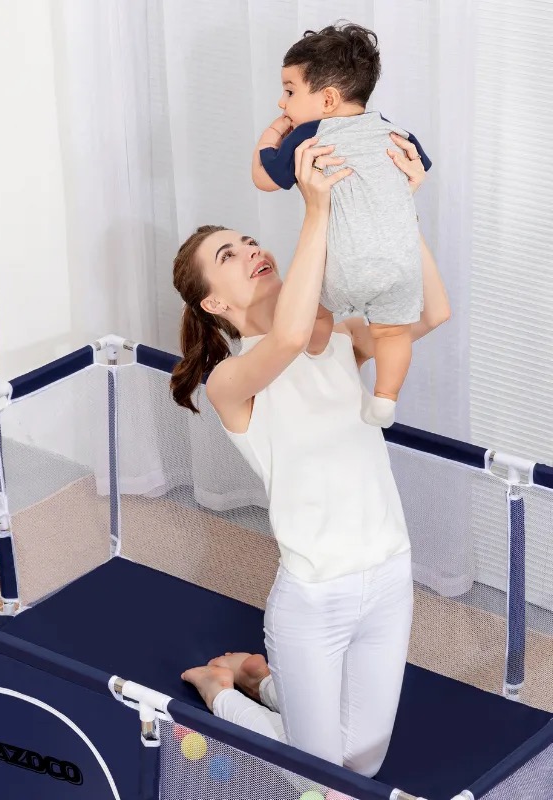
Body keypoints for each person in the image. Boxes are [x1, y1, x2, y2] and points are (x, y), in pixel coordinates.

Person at [170, 132, 450, 777]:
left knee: (363, 764)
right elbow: (289, 337)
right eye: (229, 254)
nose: (252, 250)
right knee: (318, 776)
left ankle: (262, 680)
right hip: (315, 598)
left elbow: (432, 312)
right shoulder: (230, 382)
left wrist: (401, 208)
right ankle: (219, 689)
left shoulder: (340, 339)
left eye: (249, 241)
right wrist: (317, 208)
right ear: (216, 304)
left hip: (388, 574)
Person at [252, 22, 432, 428]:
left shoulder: (310, 135)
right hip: (401, 264)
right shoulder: (393, 131)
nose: (281, 102)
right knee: (392, 334)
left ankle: (315, 350)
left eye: (289, 91)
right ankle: (385, 399)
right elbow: (417, 166)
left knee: (315, 310)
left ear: (328, 99)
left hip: (345, 264)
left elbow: (263, 178)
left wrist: (273, 133)